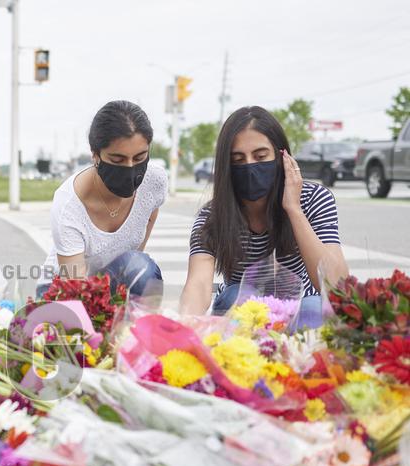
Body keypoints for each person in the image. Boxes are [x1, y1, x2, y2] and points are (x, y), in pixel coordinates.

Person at [179, 106, 349, 326]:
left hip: (301, 305)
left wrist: (294, 210)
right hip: (242, 311)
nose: (250, 166)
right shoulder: (213, 216)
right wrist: (184, 325)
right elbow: (199, 283)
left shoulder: (314, 198)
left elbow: (336, 285)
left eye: (260, 156)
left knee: (315, 308)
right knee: (234, 297)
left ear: (281, 157)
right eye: (238, 160)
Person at [36, 100, 167, 299]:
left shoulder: (154, 181)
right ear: (95, 155)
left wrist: (129, 285)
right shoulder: (69, 204)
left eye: (139, 158)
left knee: (141, 268)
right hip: (63, 291)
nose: (130, 168)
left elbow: (137, 250)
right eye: (118, 160)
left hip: (111, 282)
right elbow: (74, 290)